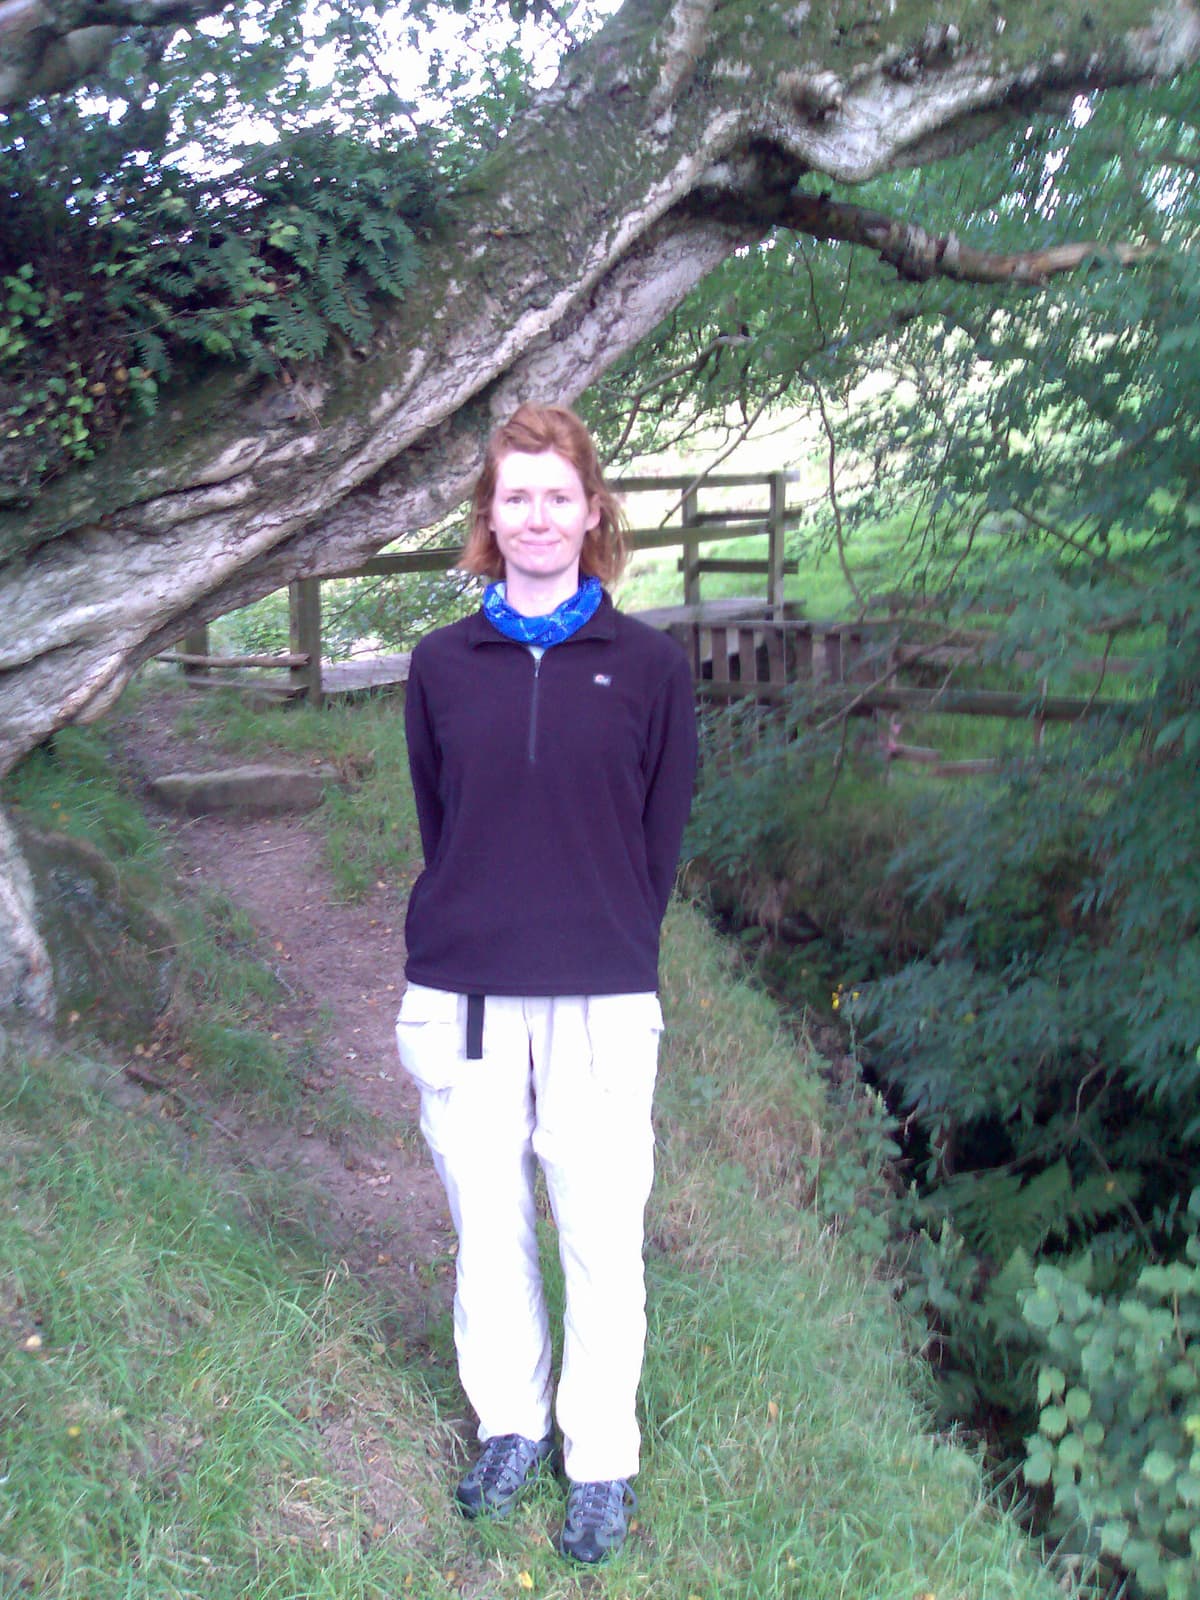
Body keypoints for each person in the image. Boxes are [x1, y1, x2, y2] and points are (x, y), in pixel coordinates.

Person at [394, 402, 697, 1564]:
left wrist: (602, 932)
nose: (535, 515)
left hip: (601, 994)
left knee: (601, 1231)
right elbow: (443, 819)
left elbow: (657, 835)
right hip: (466, 986)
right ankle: (511, 1424)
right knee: (489, 1222)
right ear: (488, 514)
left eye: (556, 495)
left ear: (591, 510)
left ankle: (599, 1456)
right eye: (514, 495)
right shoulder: (440, 665)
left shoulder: (649, 666)